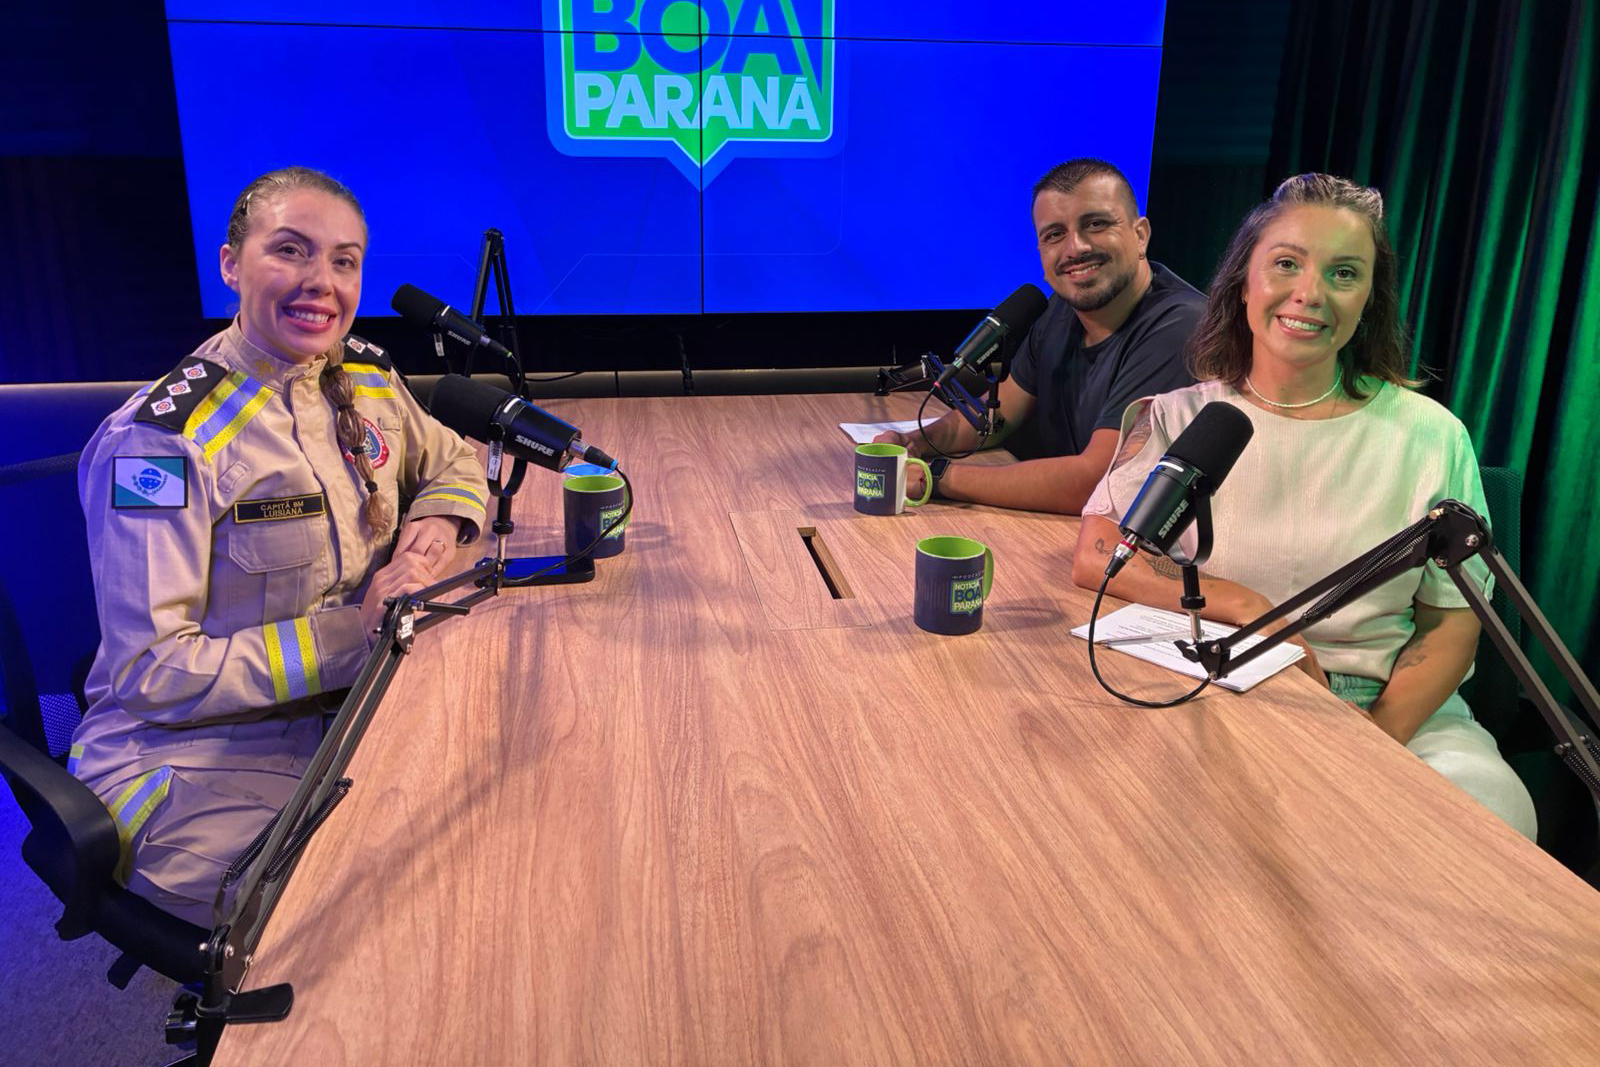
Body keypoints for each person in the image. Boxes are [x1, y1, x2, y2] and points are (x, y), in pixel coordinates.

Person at [69, 166, 492, 924]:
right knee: (373, 910)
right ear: (231, 263)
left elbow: (455, 458)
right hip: (191, 754)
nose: (320, 283)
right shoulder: (156, 446)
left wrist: (433, 533)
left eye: (344, 259)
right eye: (290, 251)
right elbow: (148, 671)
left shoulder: (360, 374)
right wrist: (350, 631)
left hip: (356, 711)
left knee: (485, 839)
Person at [1072, 173, 1536, 839]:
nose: (1310, 293)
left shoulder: (1431, 435)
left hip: (1388, 709)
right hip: (1222, 686)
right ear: (1244, 279)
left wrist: (1371, 743)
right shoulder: (1178, 417)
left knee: (1490, 822)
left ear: (1369, 295)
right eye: (1286, 263)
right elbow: (1097, 556)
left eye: (1344, 273)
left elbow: (1450, 627)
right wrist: (1249, 607)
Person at [876, 158, 1202, 513]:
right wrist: (913, 444)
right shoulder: (1063, 310)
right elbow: (996, 418)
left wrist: (935, 477)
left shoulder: (1181, 326)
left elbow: (1097, 481)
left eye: (1095, 224)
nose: (1074, 248)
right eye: (1054, 234)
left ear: (1140, 235)